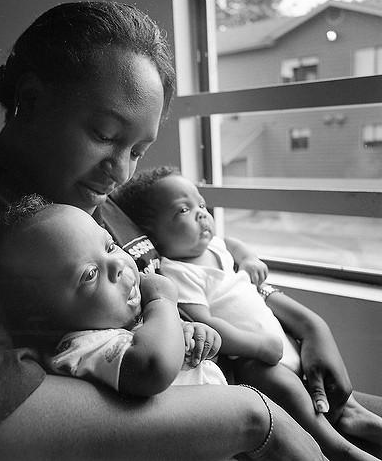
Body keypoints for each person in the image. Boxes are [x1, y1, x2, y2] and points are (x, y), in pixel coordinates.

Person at [0, 0, 334, 460]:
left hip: (264, 382)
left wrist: (308, 324)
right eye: (106, 136)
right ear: (30, 101)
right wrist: (255, 418)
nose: (121, 171)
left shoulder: (92, 193)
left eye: (137, 150)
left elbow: (200, 254)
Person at [113, 166, 382, 460]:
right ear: (152, 233)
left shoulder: (213, 246)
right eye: (184, 210)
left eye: (201, 204)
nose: (202, 214)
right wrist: (257, 346)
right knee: (289, 390)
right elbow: (204, 322)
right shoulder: (178, 272)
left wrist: (248, 258)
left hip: (278, 337)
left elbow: (231, 244)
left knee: (320, 382)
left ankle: (354, 414)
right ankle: (335, 446)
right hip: (252, 356)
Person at [0, 195, 227, 395]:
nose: (117, 265)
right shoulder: (82, 347)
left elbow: (175, 352)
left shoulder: (132, 317)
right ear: (44, 318)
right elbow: (154, 366)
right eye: (90, 274)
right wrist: (163, 302)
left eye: (110, 246)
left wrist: (190, 335)